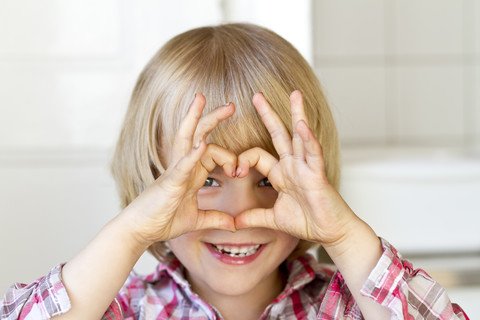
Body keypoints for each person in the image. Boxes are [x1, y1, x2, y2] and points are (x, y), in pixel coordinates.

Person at [0, 23, 469, 320]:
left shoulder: (343, 308)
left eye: (267, 181)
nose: (240, 214)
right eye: (205, 180)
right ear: (150, 183)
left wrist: (344, 236)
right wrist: (132, 232)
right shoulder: (125, 308)